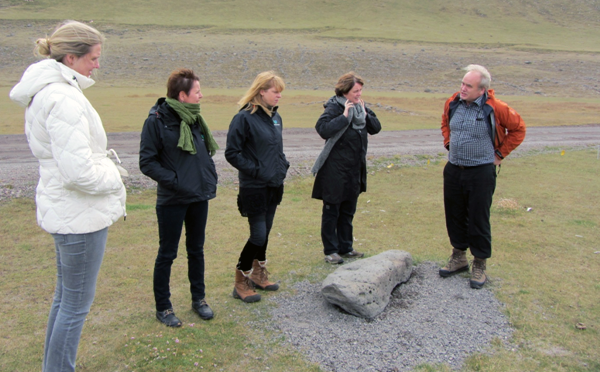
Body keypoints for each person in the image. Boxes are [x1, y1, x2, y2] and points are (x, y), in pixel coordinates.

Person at [9, 20, 127, 372]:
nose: (97, 65)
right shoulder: (62, 98)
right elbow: (79, 173)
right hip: (79, 215)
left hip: (68, 210)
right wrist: (116, 174)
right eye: (93, 57)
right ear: (72, 58)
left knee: (66, 299)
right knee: (75, 305)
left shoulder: (52, 90)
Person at [139, 68, 219, 326]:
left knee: (196, 250)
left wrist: (207, 176)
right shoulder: (157, 120)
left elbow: (199, 155)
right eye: (197, 92)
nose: (201, 96)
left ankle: (199, 300)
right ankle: (163, 307)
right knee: (167, 253)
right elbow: (147, 162)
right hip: (172, 199)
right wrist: (176, 181)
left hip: (198, 196)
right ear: (182, 95)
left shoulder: (195, 118)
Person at [439, 64, 526, 288]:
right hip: (454, 169)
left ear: (482, 89)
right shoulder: (453, 102)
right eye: (462, 83)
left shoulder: (495, 107)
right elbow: (445, 123)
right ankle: (458, 257)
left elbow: (518, 129)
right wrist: (448, 142)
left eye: (468, 85)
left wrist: (499, 154)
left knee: (478, 217)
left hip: (481, 172)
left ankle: (479, 263)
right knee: (454, 214)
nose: (463, 88)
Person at [224, 71, 289, 303]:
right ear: (262, 91)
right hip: (254, 187)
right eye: (275, 91)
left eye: (280, 91)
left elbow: (277, 150)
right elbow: (232, 153)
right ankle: (241, 280)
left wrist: (282, 166)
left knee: (266, 232)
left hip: (274, 185)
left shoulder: (275, 118)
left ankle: (259, 275)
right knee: (258, 234)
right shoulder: (243, 118)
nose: (279, 96)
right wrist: (258, 171)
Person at [311, 72, 382, 264]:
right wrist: (343, 117)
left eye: (360, 90)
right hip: (334, 169)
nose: (359, 94)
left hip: (354, 169)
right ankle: (331, 251)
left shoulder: (361, 107)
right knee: (332, 210)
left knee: (348, 210)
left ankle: (346, 247)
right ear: (345, 91)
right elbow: (322, 129)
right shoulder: (334, 106)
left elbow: (376, 128)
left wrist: (366, 113)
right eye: (355, 91)